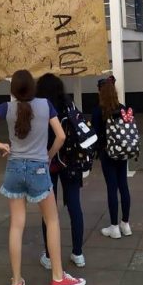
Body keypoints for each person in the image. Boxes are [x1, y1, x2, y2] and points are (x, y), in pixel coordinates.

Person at [0, 69, 86, 285]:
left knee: (16, 225)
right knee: (52, 220)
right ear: (32, 87)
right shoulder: (46, 105)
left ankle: (16, 282)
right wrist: (49, 155)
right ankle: (58, 277)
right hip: (39, 168)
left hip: (14, 168)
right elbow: (61, 136)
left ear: (13, 89)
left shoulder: (6, 107)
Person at [36, 73, 85, 269]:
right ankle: (78, 253)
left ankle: (49, 256)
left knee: (48, 211)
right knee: (75, 206)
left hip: (48, 162)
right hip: (71, 161)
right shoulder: (69, 104)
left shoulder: (39, 107)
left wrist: (48, 155)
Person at [91, 76, 132, 239]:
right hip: (122, 152)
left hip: (107, 153)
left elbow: (94, 134)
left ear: (100, 92)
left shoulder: (97, 111)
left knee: (111, 188)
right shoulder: (122, 108)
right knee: (124, 186)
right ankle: (126, 224)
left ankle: (114, 226)